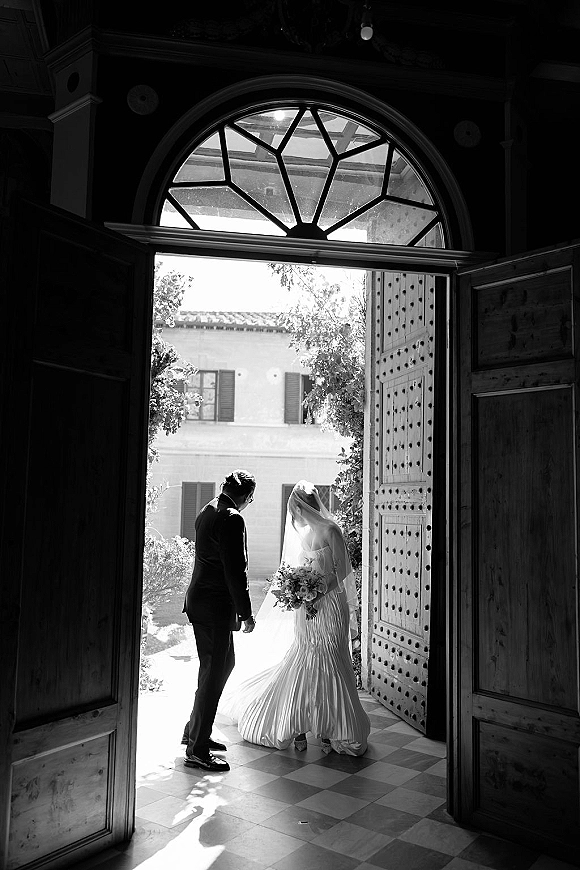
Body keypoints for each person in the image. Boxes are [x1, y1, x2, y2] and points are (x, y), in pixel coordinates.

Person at [219, 480, 370, 756]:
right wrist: (296, 590)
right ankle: (299, 724)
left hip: (329, 607)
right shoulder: (305, 534)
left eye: (295, 510)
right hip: (306, 609)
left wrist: (319, 590)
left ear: (304, 507)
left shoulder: (330, 530)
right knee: (304, 659)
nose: (295, 517)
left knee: (331, 660)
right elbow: (302, 567)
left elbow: (343, 570)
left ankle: (330, 727)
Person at [181, 469, 256, 772]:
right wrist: (246, 613)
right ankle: (197, 750)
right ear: (248, 496)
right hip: (214, 606)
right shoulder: (232, 517)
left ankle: (195, 731)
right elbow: (234, 570)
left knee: (221, 666)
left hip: (202, 601)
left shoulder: (208, 509)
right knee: (214, 671)